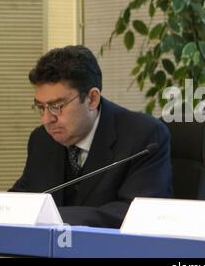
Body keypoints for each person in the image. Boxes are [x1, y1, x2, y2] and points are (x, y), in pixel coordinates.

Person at [10, 45, 173, 228]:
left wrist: (52, 218)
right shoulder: (42, 139)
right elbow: (24, 197)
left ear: (92, 99)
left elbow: (138, 213)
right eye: (41, 107)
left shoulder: (144, 136)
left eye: (57, 106)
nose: (47, 119)